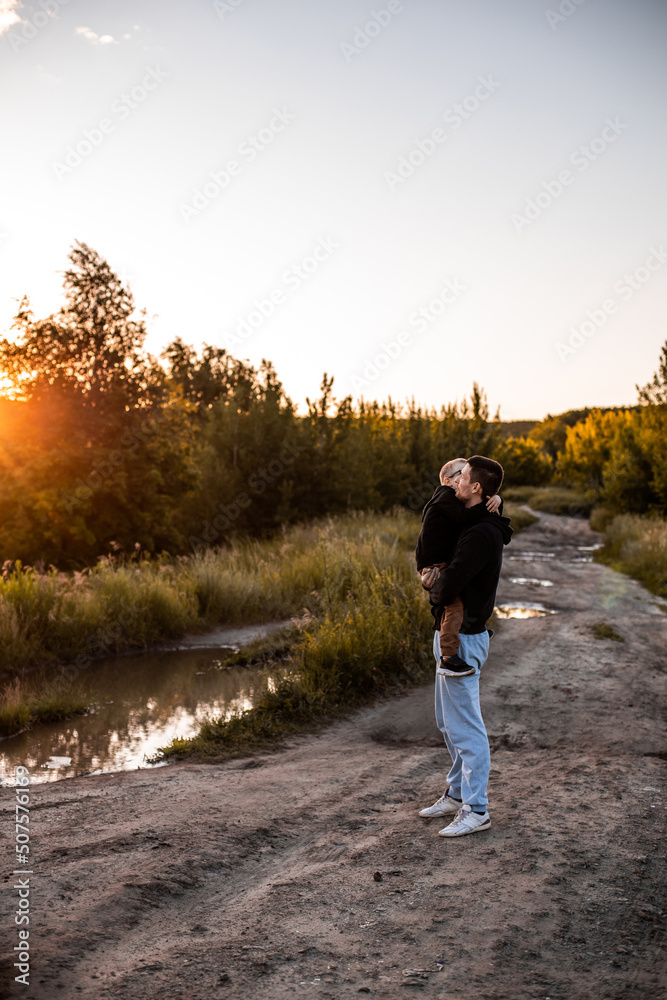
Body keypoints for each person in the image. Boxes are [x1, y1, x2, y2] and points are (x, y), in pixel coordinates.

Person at [418, 455, 513, 838]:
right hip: (448, 630)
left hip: (466, 636)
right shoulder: (473, 519)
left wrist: (432, 584)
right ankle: (457, 794)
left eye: (463, 478)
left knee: (466, 727)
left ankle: (477, 808)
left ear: (476, 487)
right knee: (448, 722)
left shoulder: (480, 533)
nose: (454, 483)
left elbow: (447, 584)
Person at [415, 458, 501, 677]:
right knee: (453, 608)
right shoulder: (444, 497)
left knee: (454, 604)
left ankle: (472, 628)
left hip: (439, 563)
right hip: (434, 564)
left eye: (466, 476)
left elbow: (482, 495)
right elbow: (467, 514)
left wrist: (497, 499)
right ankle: (449, 656)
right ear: (447, 481)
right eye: (460, 475)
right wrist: (487, 506)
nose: (465, 478)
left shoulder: (461, 507)